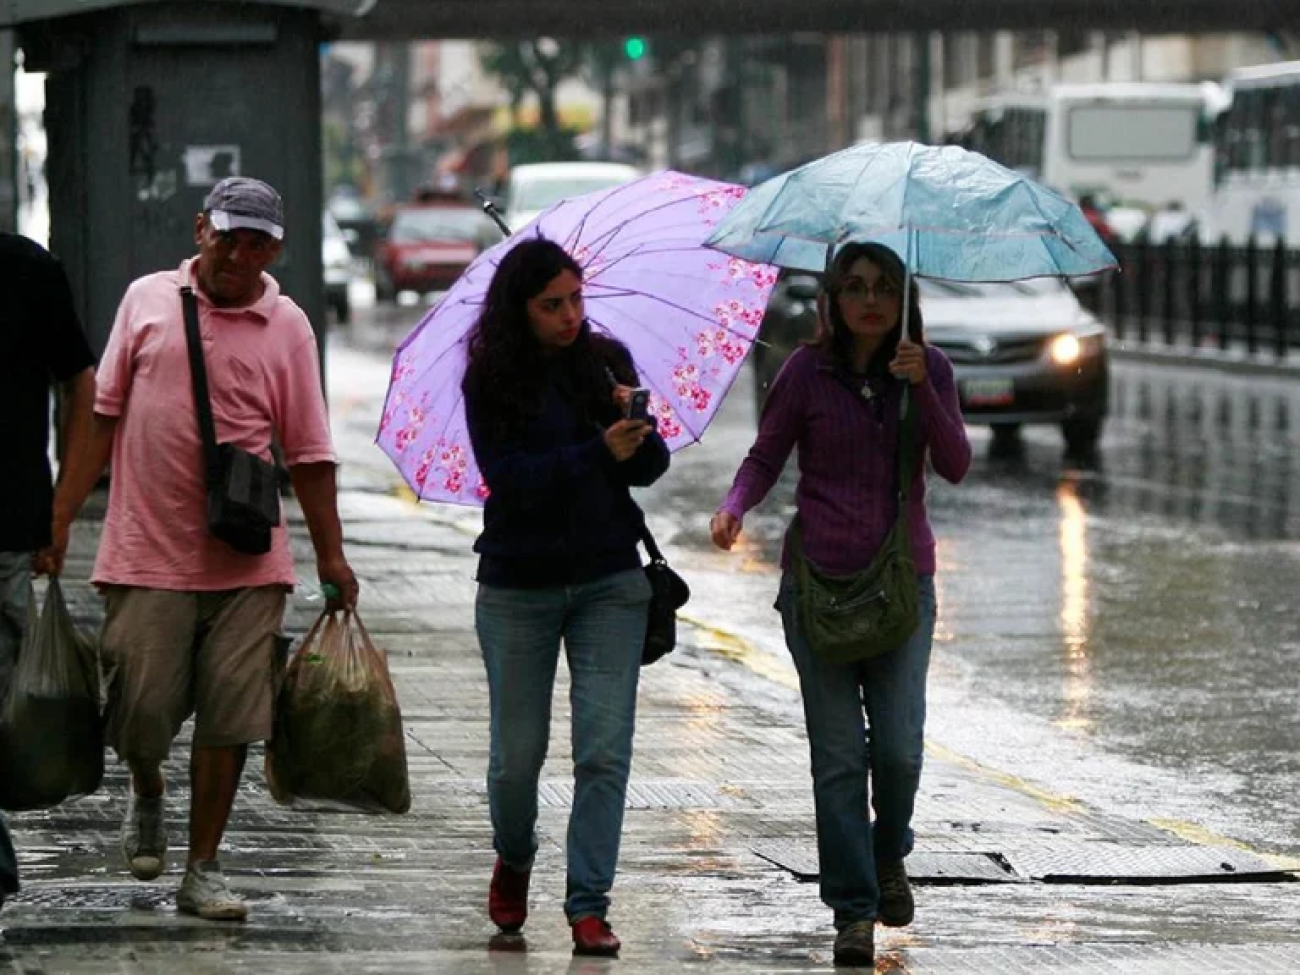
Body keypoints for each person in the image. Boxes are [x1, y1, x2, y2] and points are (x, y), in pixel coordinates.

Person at [52, 176, 359, 922]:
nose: (239, 254)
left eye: (257, 242)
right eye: (229, 236)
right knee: (141, 712)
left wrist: (331, 553)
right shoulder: (146, 301)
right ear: (200, 231)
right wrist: (58, 518)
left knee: (232, 716)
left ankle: (203, 867)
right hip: (144, 552)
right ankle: (148, 784)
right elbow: (102, 415)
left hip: (250, 559)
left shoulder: (287, 326)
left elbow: (311, 451)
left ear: (275, 249)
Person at [709, 241, 971, 968]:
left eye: (884, 287)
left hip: (900, 588)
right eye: (854, 286)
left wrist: (922, 389)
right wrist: (735, 507)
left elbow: (954, 464)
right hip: (817, 589)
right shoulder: (804, 371)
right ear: (831, 299)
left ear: (904, 297)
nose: (870, 300)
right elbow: (766, 454)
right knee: (835, 758)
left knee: (898, 748)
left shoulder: (929, 368)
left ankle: (891, 852)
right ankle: (852, 911)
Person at [461, 238, 669, 958]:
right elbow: (508, 478)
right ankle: (515, 853)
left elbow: (650, 468)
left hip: (611, 582)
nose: (570, 315)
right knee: (517, 760)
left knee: (604, 752)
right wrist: (593, 453)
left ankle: (588, 905)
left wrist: (636, 425)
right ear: (520, 309)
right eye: (553, 304)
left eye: (577, 299)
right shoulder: (490, 377)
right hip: (518, 585)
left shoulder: (603, 363)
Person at [0, 233, 97, 910]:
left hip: (6, 527)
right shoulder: (29, 266)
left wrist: (63, 509)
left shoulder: (28, 270)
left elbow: (81, 383)